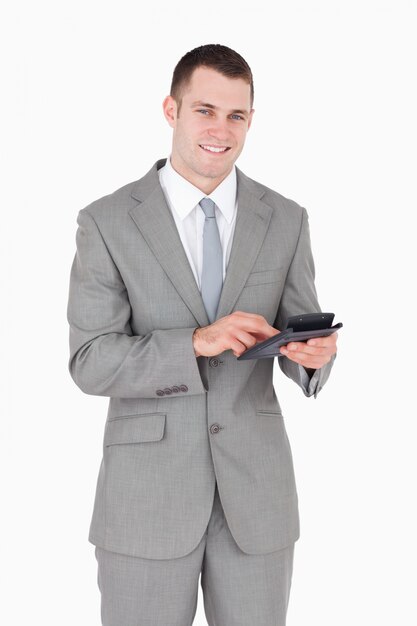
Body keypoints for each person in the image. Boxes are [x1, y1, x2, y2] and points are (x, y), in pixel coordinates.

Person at [67, 43, 338, 626]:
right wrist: (194, 342)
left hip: (257, 500)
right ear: (171, 110)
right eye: (204, 110)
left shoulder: (286, 219)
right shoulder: (107, 222)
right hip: (146, 500)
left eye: (236, 115)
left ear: (251, 121)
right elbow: (91, 360)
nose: (220, 130)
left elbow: (296, 335)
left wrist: (313, 357)